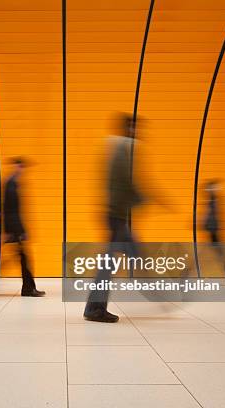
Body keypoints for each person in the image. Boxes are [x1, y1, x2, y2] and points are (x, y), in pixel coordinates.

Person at [83, 114, 143, 323]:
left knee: (119, 258)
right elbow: (124, 183)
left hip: (115, 214)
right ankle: (94, 309)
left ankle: (94, 307)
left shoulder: (119, 148)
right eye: (134, 128)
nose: (137, 132)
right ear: (129, 128)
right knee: (110, 263)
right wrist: (141, 197)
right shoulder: (122, 150)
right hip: (115, 215)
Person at [3, 157, 45, 297]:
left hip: (14, 228)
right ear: (15, 167)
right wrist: (17, 231)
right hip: (14, 229)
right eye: (20, 167)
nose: (22, 170)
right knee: (24, 259)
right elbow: (10, 210)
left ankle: (28, 288)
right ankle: (28, 289)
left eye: (23, 167)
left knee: (22, 258)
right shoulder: (10, 185)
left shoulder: (14, 184)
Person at [202, 179, 225, 285]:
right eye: (215, 186)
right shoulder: (212, 201)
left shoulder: (214, 200)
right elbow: (208, 215)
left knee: (219, 256)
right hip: (213, 234)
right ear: (211, 188)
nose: (218, 188)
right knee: (216, 256)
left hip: (214, 233)